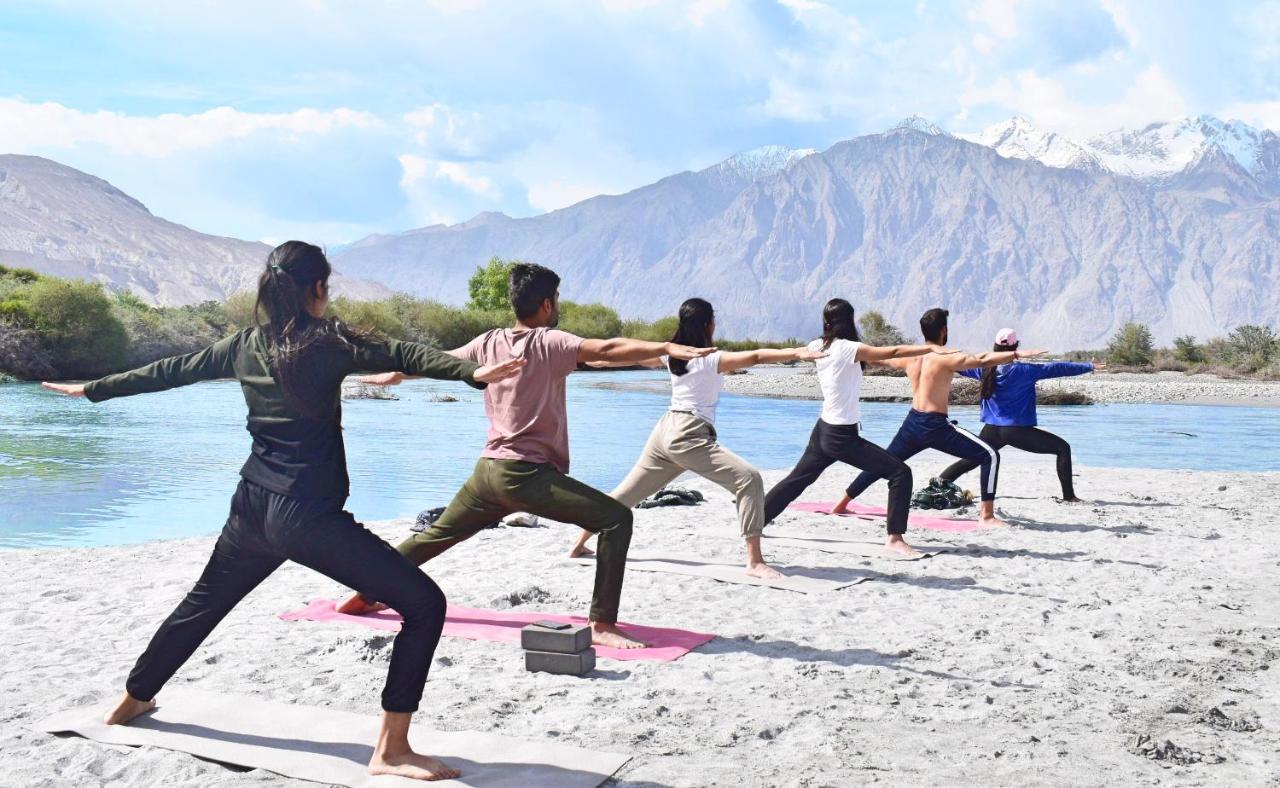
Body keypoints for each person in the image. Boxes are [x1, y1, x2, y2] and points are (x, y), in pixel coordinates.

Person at [42, 241, 525, 782]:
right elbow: (403, 354)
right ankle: (391, 750)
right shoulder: (332, 340)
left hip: (251, 509)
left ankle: (130, 703)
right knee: (425, 604)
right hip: (307, 518)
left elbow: (171, 370)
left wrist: (92, 390)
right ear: (319, 288)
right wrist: (470, 374)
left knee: (200, 607)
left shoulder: (242, 345)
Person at [337, 263, 715, 649]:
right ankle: (602, 624)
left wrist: (398, 374)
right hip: (526, 477)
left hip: (487, 474)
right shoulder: (548, 342)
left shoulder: (488, 341)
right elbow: (605, 348)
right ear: (548, 305)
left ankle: (368, 591)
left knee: (435, 536)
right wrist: (664, 347)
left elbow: (440, 360)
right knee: (616, 519)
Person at [567, 298, 826, 578]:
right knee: (749, 479)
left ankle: (578, 544)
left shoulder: (672, 356)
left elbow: (626, 357)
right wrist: (796, 352)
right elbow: (756, 356)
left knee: (626, 494)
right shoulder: (710, 358)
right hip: (688, 434)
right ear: (708, 323)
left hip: (665, 430)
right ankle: (754, 562)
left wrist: (587, 359)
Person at [760, 299, 958, 557]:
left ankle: (756, 521)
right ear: (850, 321)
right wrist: (931, 350)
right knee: (900, 474)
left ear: (827, 321)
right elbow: (893, 353)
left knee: (797, 480)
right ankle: (895, 539)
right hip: (841, 436)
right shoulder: (847, 348)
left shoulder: (818, 345)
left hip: (823, 430)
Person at [832, 308, 1046, 530]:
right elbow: (982, 359)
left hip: (912, 424)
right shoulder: (946, 356)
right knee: (990, 455)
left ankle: (841, 504)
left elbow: (879, 359)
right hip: (936, 426)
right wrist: (1016, 354)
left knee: (882, 462)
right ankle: (986, 515)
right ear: (944, 330)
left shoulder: (910, 356)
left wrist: (845, 351)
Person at [936, 328, 1103, 502]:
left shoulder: (984, 369)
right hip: (1016, 431)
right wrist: (1089, 366)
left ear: (995, 347)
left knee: (970, 460)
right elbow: (1058, 368)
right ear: (1016, 347)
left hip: (991, 430)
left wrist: (937, 353)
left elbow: (956, 364)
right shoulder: (1025, 370)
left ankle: (938, 484)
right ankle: (1069, 497)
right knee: (1063, 449)